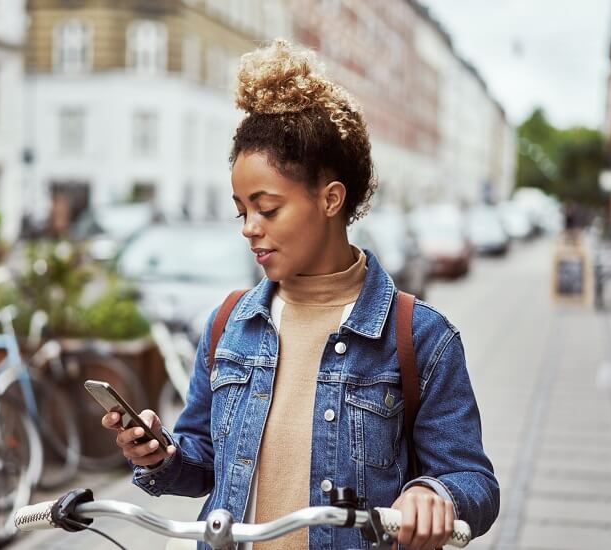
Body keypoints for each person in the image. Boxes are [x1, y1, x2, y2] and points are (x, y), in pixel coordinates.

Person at [103, 39, 499, 550]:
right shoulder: (230, 324)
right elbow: (204, 463)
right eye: (241, 210)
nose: (249, 228)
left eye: (267, 209)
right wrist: (161, 455)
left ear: (331, 199)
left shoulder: (420, 337)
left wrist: (433, 492)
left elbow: (475, 483)